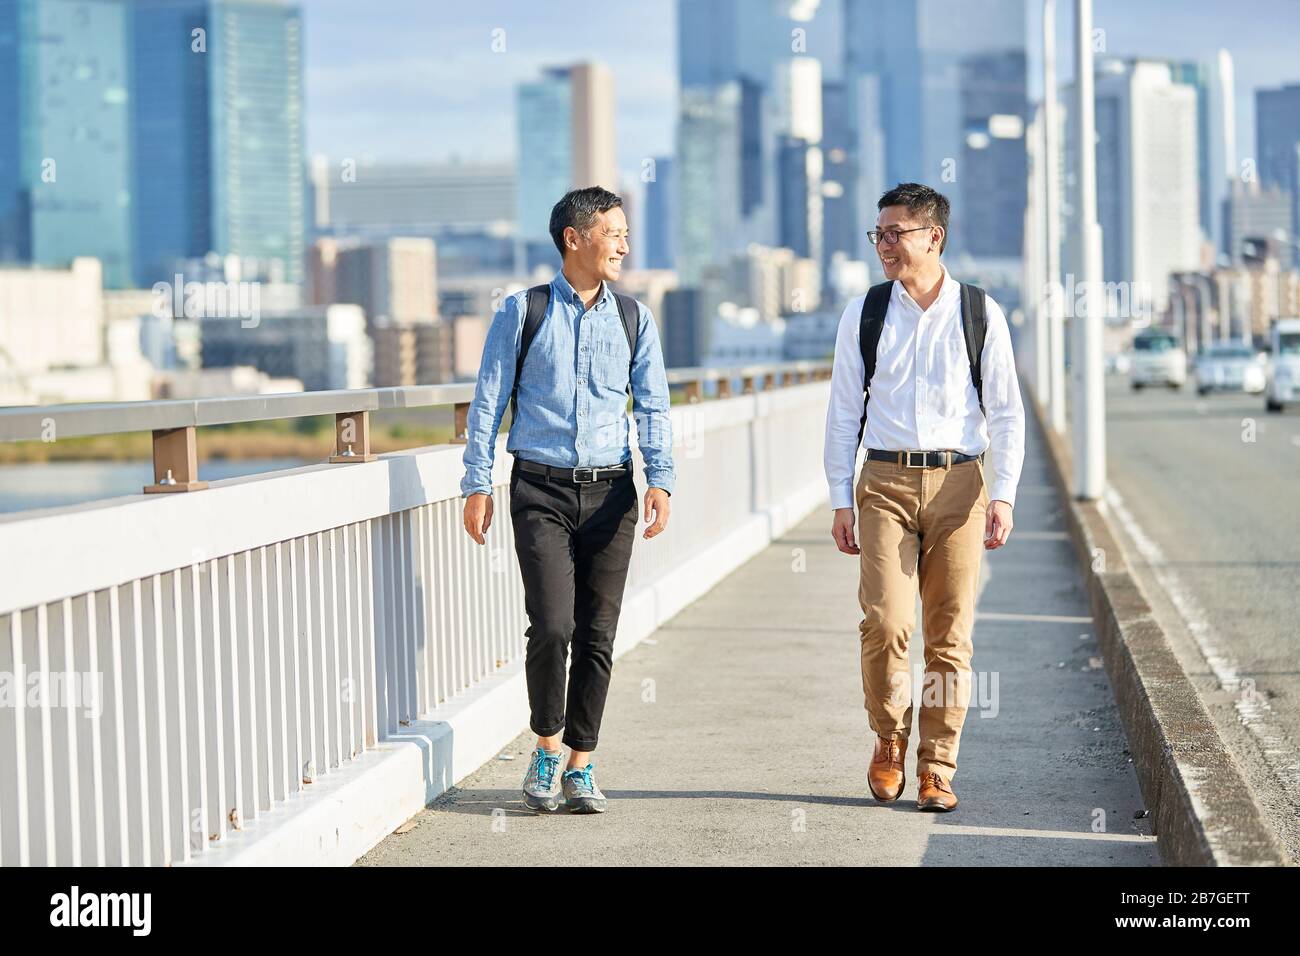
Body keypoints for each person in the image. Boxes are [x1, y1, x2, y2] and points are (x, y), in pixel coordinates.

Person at [460, 186, 675, 814]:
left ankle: (582, 764)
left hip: (613, 493)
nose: (624, 245)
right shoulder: (520, 312)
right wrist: (477, 482)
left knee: (599, 632)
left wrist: (659, 478)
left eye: (626, 233)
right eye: (614, 233)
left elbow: (655, 406)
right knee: (553, 625)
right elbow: (488, 402)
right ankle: (547, 745)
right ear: (573, 238)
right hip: (540, 489)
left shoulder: (635, 317)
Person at [823, 182, 1026, 811]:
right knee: (885, 622)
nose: (883, 244)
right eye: (877, 234)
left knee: (949, 635)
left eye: (895, 233)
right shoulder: (865, 313)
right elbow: (840, 413)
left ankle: (937, 765)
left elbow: (1007, 413)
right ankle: (889, 739)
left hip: (961, 485)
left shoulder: (979, 313)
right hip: (882, 482)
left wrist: (1006, 495)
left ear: (932, 236)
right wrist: (839, 497)